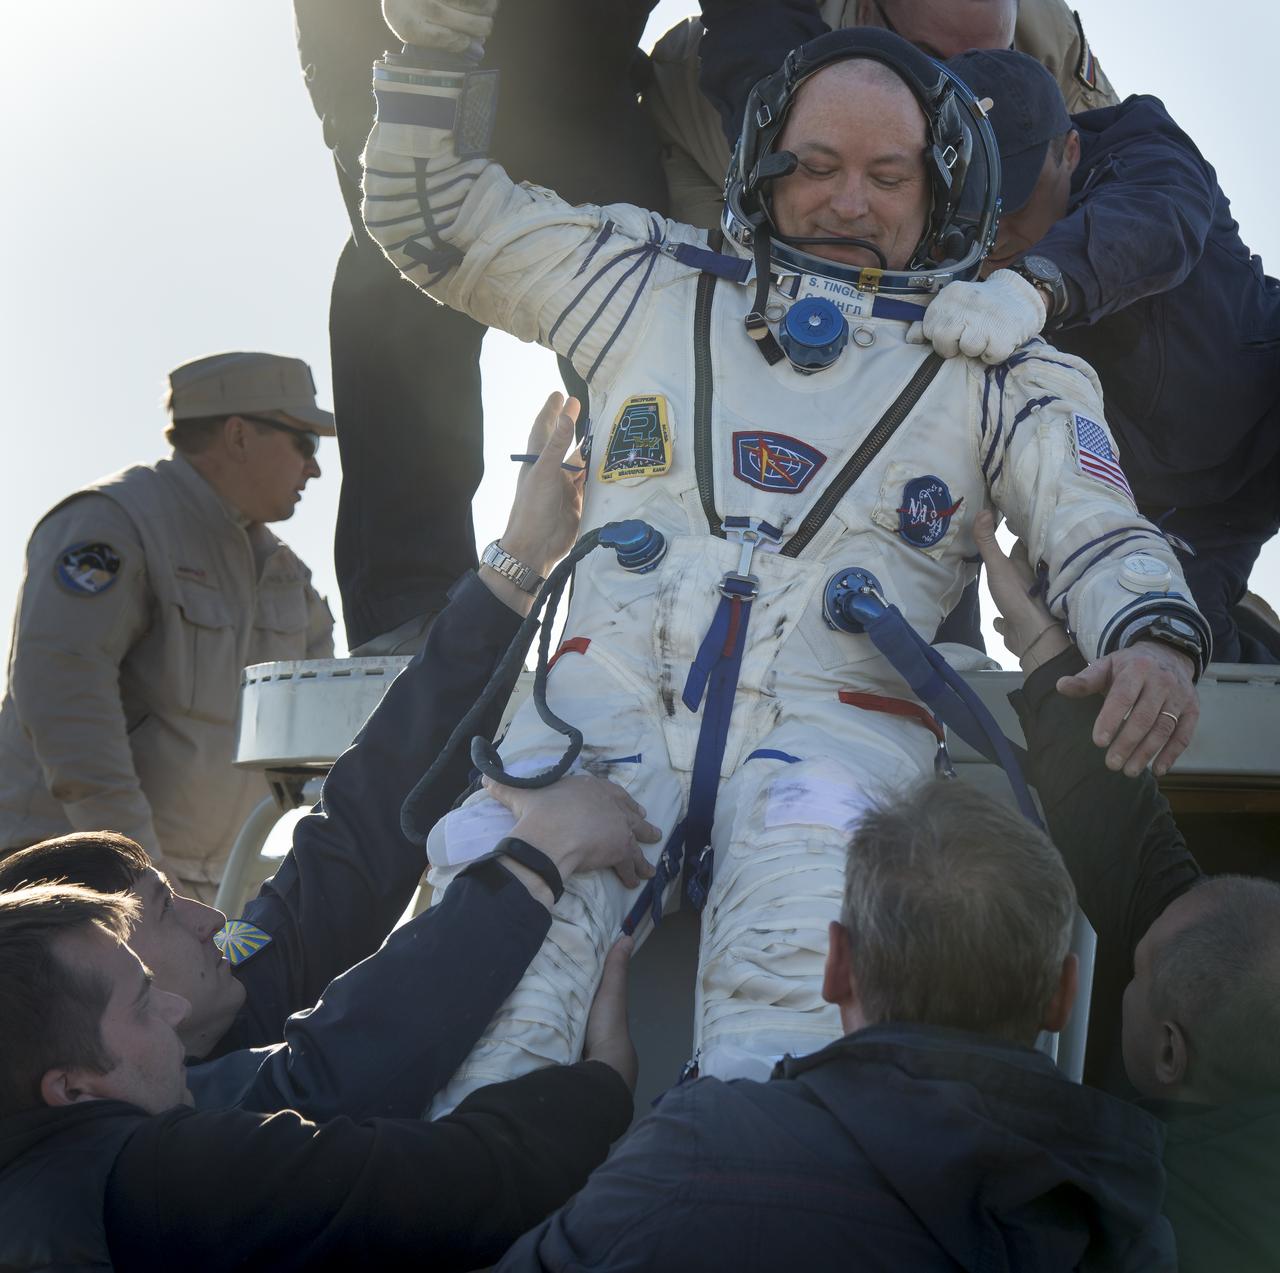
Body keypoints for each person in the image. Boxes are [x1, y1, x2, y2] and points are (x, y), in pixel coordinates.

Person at [358, 19, 1211, 1111]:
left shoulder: (997, 366)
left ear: (938, 188)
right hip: (592, 736)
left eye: (884, 175)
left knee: (793, 1050)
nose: (847, 201)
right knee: (481, 1015)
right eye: (814, 168)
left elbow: (1096, 527)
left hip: (829, 753)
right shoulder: (648, 286)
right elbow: (430, 222)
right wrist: (429, 54)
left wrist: (1147, 635)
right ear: (760, 166)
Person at [0, 394, 661, 1122]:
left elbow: (359, 831)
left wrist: (517, 560)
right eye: (161, 910)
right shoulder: (159, 1149)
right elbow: (340, 1060)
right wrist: (541, 854)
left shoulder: (215, 1006)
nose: (214, 921)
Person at [498, 777, 1175, 1272]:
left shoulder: (696, 1151)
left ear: (837, 966)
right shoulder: (1132, 1227)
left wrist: (590, 1097)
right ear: (1063, 994)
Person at [0, 882, 636, 1272]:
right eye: (142, 1002)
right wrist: (604, 1079)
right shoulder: (158, 1177)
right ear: (72, 1089)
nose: (175, 1008)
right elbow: (470, 1181)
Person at [294, 0, 667, 654]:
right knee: (384, 301)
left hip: (588, 116)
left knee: (650, 353)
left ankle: (645, 598)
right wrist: (368, 158)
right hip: (417, 98)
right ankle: (408, 614)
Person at [974, 510, 1280, 1273]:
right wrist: (1043, 640)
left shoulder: (1112, 1216)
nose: (1129, 964)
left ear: (1169, 1050)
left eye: (1134, 969)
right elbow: (1143, 864)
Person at [914, 50, 1280, 663]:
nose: (994, 230)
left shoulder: (1142, 140)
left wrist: (1034, 285)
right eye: (976, 203)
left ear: (1070, 152)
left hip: (1265, 411)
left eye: (1014, 198)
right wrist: (952, 661)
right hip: (1171, 510)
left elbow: (1157, 219)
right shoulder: (932, 249)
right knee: (1168, 653)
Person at [0, 352, 335, 902]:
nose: (314, 468)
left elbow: (322, 738)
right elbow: (64, 699)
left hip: (198, 895)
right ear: (239, 435)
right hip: (65, 883)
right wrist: (138, 875)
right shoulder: (111, 524)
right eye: (306, 443)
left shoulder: (285, 575)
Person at [646, 0, 1117, 229]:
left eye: (991, 56)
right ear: (870, 14)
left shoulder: (1049, 37)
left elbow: (1119, 155)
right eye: (936, 59)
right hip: (704, 156)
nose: (968, 89)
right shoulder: (765, 57)